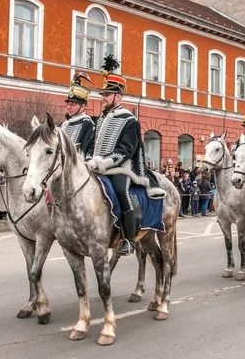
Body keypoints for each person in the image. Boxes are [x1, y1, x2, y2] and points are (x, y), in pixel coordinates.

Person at [86, 55, 166, 256]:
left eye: (107, 94)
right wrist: (90, 160)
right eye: (103, 94)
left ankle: (129, 239)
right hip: (98, 165)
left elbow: (125, 151)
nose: (103, 97)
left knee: (121, 191)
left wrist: (103, 163)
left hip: (124, 168)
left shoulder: (130, 121)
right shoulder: (101, 120)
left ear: (118, 97)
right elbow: (95, 146)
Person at [60, 72, 95, 158]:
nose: (68, 107)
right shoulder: (62, 124)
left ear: (83, 106)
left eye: (72, 105)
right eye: (68, 104)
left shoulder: (88, 124)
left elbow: (89, 149)